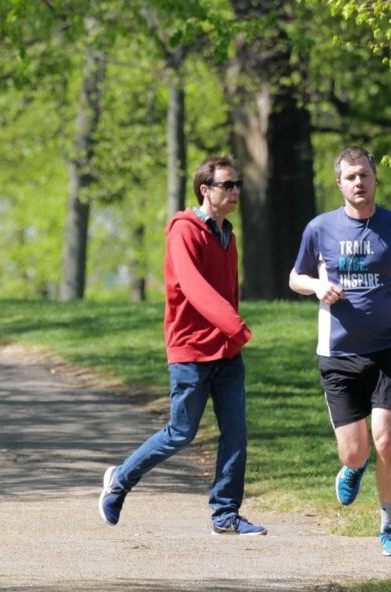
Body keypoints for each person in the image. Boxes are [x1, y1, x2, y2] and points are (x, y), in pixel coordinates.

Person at [99, 155, 266, 536]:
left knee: (236, 432)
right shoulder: (184, 231)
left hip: (226, 352)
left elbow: (228, 292)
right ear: (205, 190)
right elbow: (193, 287)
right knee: (181, 432)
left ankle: (225, 513)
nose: (236, 191)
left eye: (238, 185)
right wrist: (235, 325)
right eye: (227, 185)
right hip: (191, 350)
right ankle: (120, 480)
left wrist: (231, 334)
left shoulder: (228, 236)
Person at [288, 146, 391, 556]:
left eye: (364, 175)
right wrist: (317, 286)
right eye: (350, 177)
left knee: (386, 440)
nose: (358, 183)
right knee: (356, 451)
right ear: (339, 183)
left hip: (389, 348)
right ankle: (353, 467)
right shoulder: (319, 228)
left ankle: (390, 527)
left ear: (374, 178)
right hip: (338, 354)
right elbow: (296, 277)